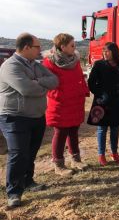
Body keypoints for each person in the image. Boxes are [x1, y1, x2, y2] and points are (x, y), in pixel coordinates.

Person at [0, 33, 59, 207]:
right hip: (15, 117)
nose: (40, 50)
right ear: (26, 48)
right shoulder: (10, 66)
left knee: (31, 152)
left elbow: (54, 81)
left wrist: (37, 81)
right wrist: (42, 87)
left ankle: (28, 181)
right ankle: (14, 192)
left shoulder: (35, 65)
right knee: (18, 154)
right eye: (37, 47)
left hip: (36, 116)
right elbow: (26, 89)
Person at [43, 33, 90, 176]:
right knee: (60, 133)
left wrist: (83, 91)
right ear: (62, 47)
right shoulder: (49, 63)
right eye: (72, 45)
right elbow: (48, 87)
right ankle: (58, 164)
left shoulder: (74, 60)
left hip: (75, 103)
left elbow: (78, 79)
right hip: (61, 105)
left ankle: (75, 159)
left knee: (74, 132)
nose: (75, 48)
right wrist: (63, 95)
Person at [88, 42, 119, 166]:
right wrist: (99, 95)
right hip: (102, 102)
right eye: (103, 51)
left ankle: (114, 152)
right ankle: (101, 154)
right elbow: (91, 82)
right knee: (102, 128)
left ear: (114, 52)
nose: (104, 53)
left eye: (107, 51)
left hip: (117, 101)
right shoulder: (99, 64)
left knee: (115, 128)